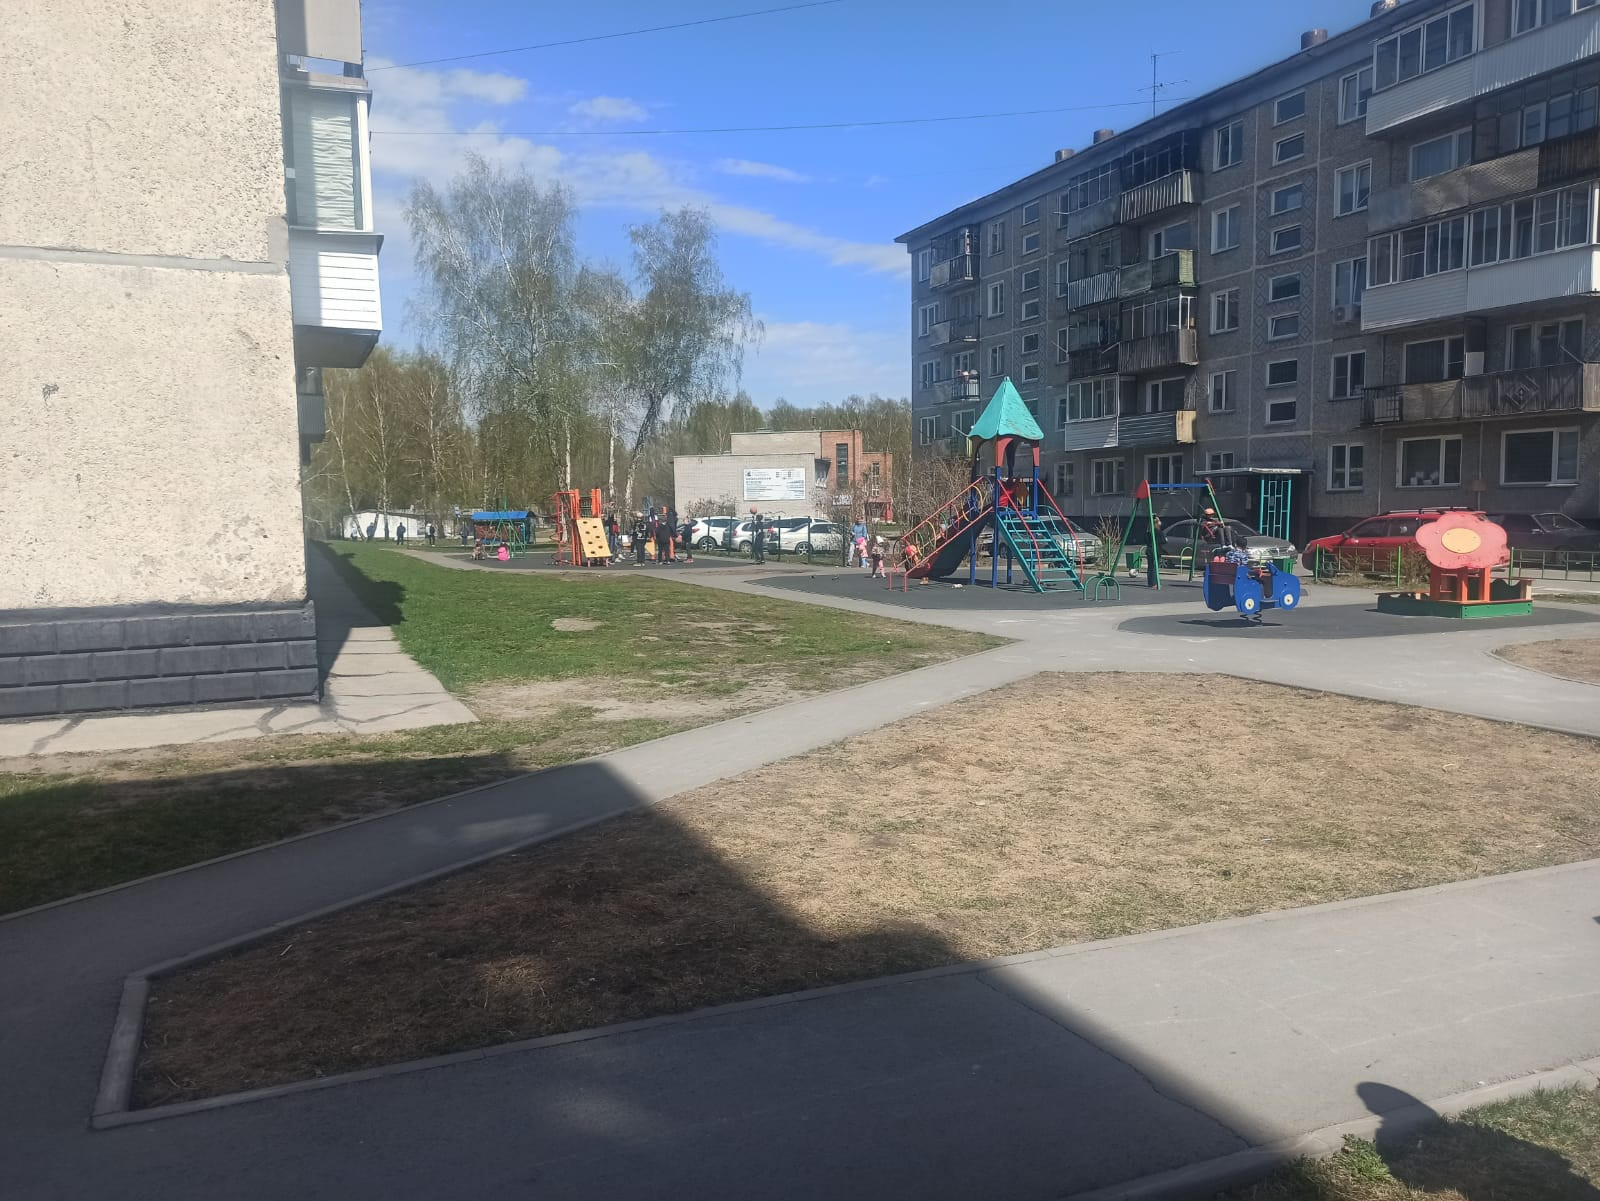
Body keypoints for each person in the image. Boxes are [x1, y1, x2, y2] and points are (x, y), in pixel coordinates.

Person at [1144, 514, 1166, 588]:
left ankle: (1150, 583)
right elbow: (1163, 540)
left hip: (1149, 550)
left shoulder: (1149, 531)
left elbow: (1146, 540)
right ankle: (1154, 583)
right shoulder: (1158, 531)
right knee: (1154, 567)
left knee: (1150, 567)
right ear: (1157, 523)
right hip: (1156, 550)